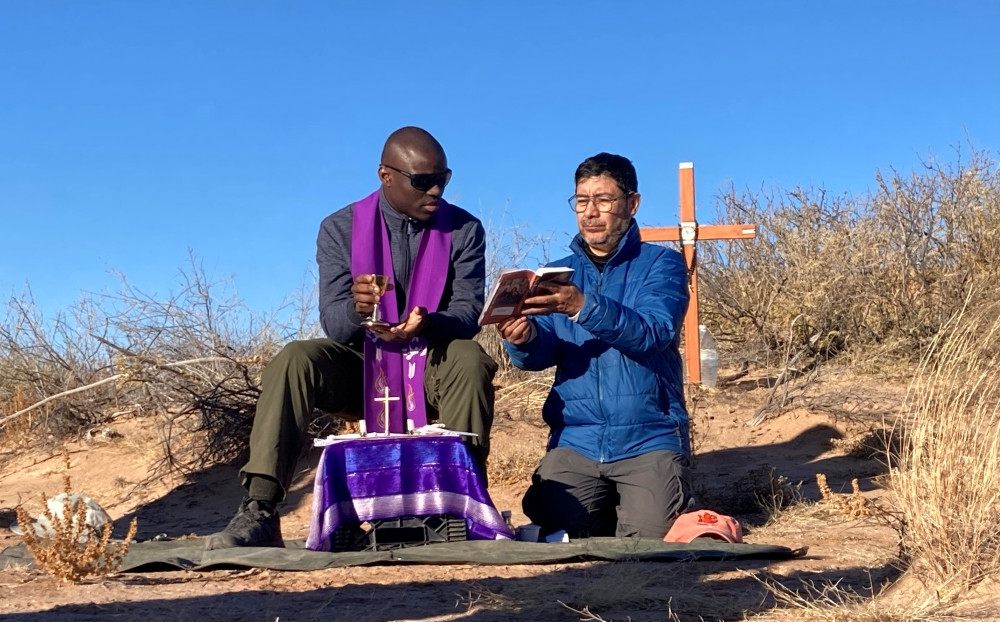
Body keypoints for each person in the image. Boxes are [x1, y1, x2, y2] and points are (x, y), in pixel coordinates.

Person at [207, 127, 498, 549]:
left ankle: (465, 505)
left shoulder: (464, 230)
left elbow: (468, 314)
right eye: (422, 181)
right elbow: (334, 325)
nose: (435, 190)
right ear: (386, 175)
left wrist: (428, 322)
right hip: (364, 370)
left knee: (469, 357)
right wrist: (358, 310)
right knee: (295, 358)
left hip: (432, 366)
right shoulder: (340, 229)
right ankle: (261, 509)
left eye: (444, 178)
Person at [499, 152, 694, 539]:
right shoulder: (556, 273)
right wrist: (524, 339)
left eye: (603, 200)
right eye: (581, 201)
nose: (590, 212)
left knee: (647, 540)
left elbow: (653, 332)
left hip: (647, 437)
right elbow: (541, 355)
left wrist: (581, 306)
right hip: (576, 439)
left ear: (632, 204)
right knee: (565, 532)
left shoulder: (663, 265)